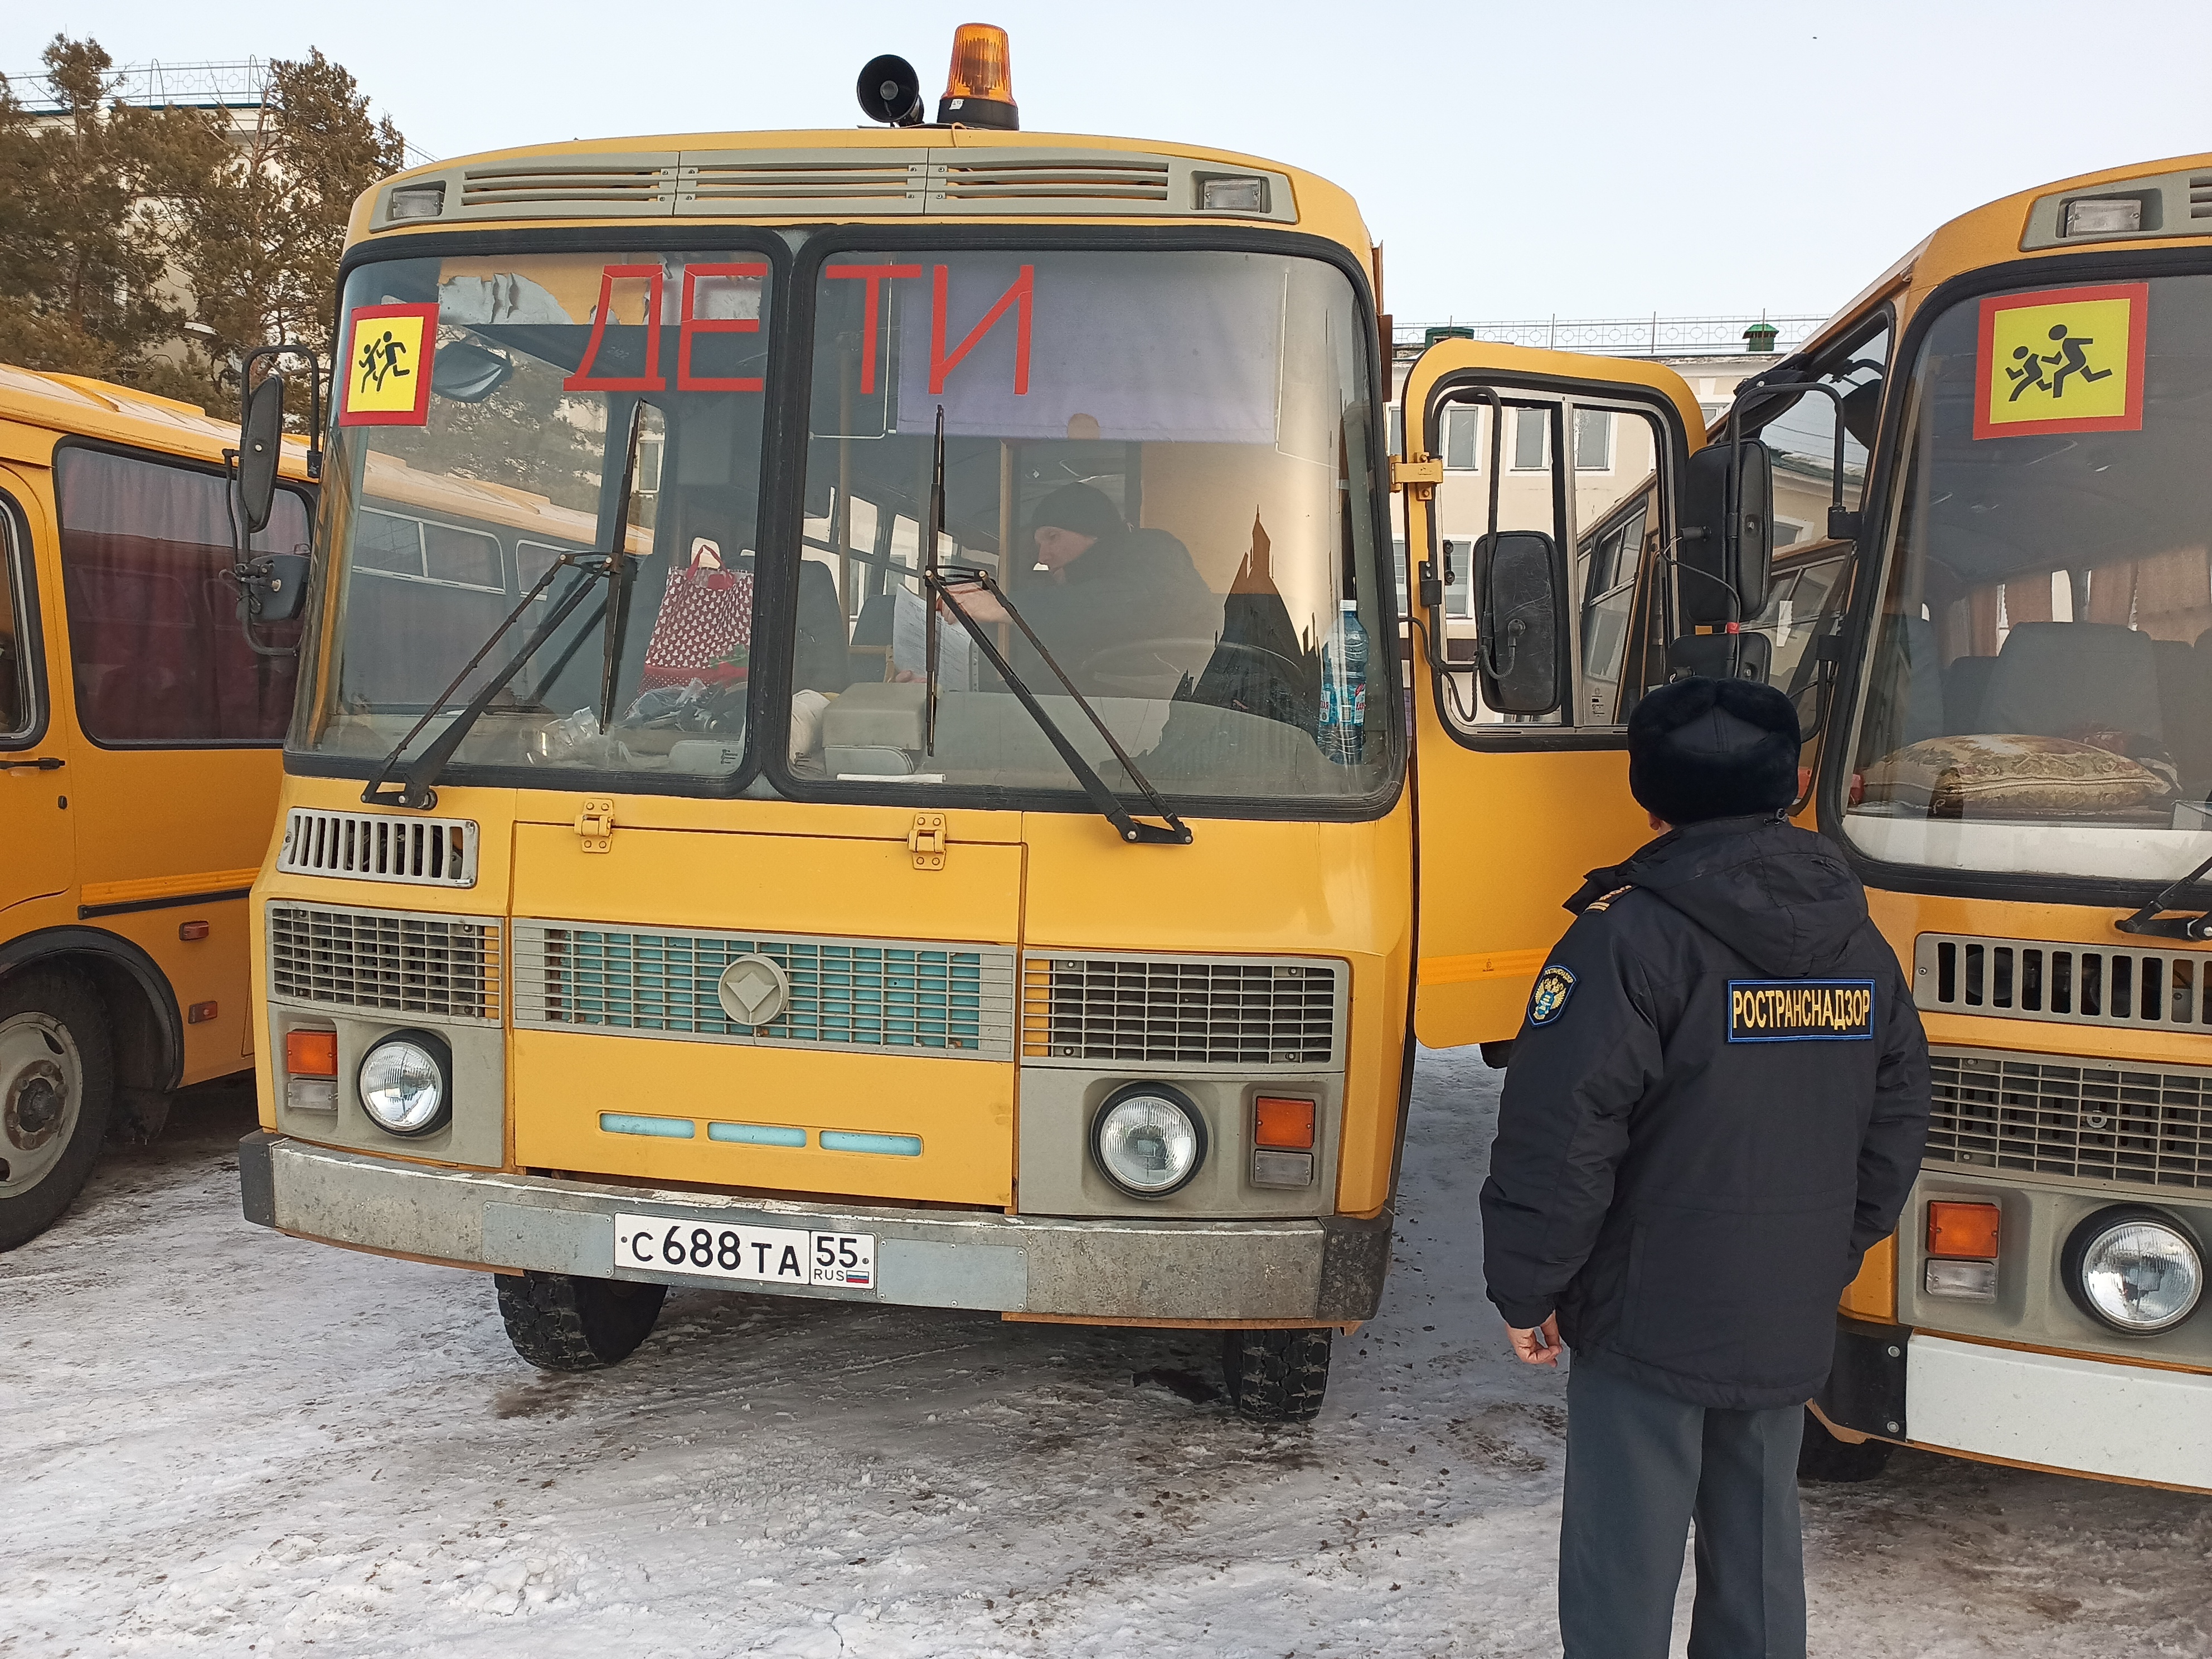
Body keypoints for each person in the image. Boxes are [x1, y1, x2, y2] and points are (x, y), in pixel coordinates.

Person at [1479, 676, 1930, 1659]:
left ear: (1647, 795)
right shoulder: (1858, 940)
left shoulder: (1623, 939)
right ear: (1799, 783)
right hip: (1783, 1301)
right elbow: (1897, 1115)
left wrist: (1527, 1286)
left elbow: (1560, 1136)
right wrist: (1826, 1244)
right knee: (1760, 1548)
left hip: (1648, 1306)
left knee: (1622, 1568)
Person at [947, 482, 1217, 696]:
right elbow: (1043, 692)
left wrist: (1004, 606)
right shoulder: (1079, 614)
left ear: (1095, 532)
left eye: (1052, 537)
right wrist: (957, 697)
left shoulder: (1157, 551)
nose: (1042, 557)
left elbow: (1127, 604)